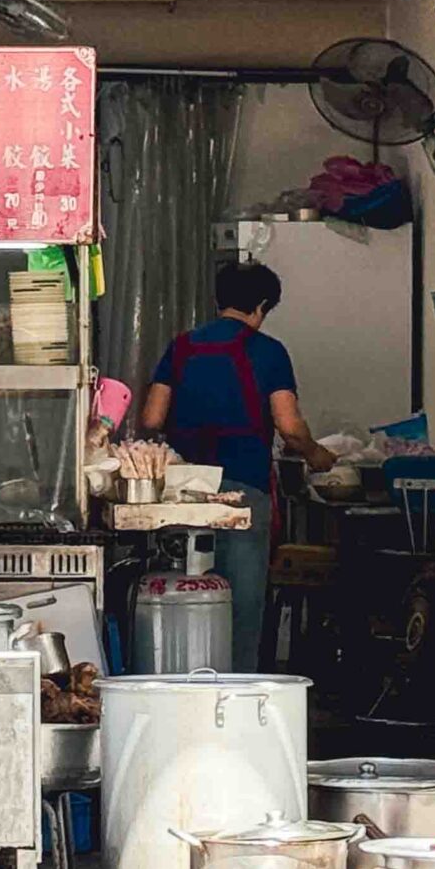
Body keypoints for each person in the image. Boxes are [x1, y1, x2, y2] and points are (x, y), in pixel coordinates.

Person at [137, 260, 336, 672]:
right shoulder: (268, 351)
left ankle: (174, 680)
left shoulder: (183, 346)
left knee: (181, 596)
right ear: (262, 306)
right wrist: (317, 455)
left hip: (181, 493)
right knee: (240, 607)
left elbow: (152, 418)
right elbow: (290, 426)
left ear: (218, 299)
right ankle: (235, 697)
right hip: (241, 494)